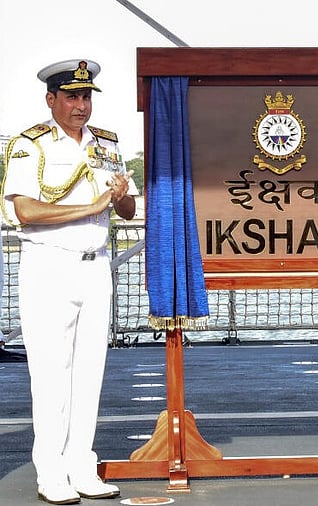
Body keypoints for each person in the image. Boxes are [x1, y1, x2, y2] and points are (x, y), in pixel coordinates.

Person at [1, 59, 137, 505]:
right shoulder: (30, 144)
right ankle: (52, 472)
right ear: (51, 100)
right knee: (51, 374)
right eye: (72, 97)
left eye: (86, 97)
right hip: (49, 265)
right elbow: (26, 211)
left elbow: (128, 211)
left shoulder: (106, 144)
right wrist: (90, 206)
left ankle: (82, 465)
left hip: (95, 264)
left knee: (89, 372)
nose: (81, 106)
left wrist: (117, 200)